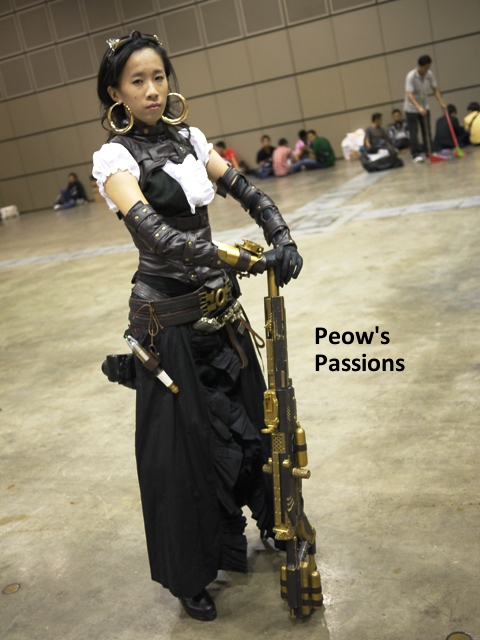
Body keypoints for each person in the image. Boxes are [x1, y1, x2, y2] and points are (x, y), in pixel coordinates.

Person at [92, 30, 302, 623]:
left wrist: (279, 231)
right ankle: (191, 574)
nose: (152, 90)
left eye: (158, 77)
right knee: (181, 455)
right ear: (115, 92)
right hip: (166, 322)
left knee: (256, 422)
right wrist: (232, 258)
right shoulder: (114, 160)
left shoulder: (190, 139)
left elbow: (244, 189)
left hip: (219, 310)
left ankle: (275, 523)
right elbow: (154, 233)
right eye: (137, 81)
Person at [404, 54, 447, 162]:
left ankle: (429, 152)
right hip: (411, 109)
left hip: (425, 107)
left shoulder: (429, 74)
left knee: (427, 130)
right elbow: (410, 95)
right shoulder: (411, 76)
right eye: (425, 67)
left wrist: (441, 102)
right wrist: (418, 107)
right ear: (419, 66)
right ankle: (415, 154)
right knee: (414, 132)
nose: (427, 70)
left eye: (428, 67)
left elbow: (435, 89)